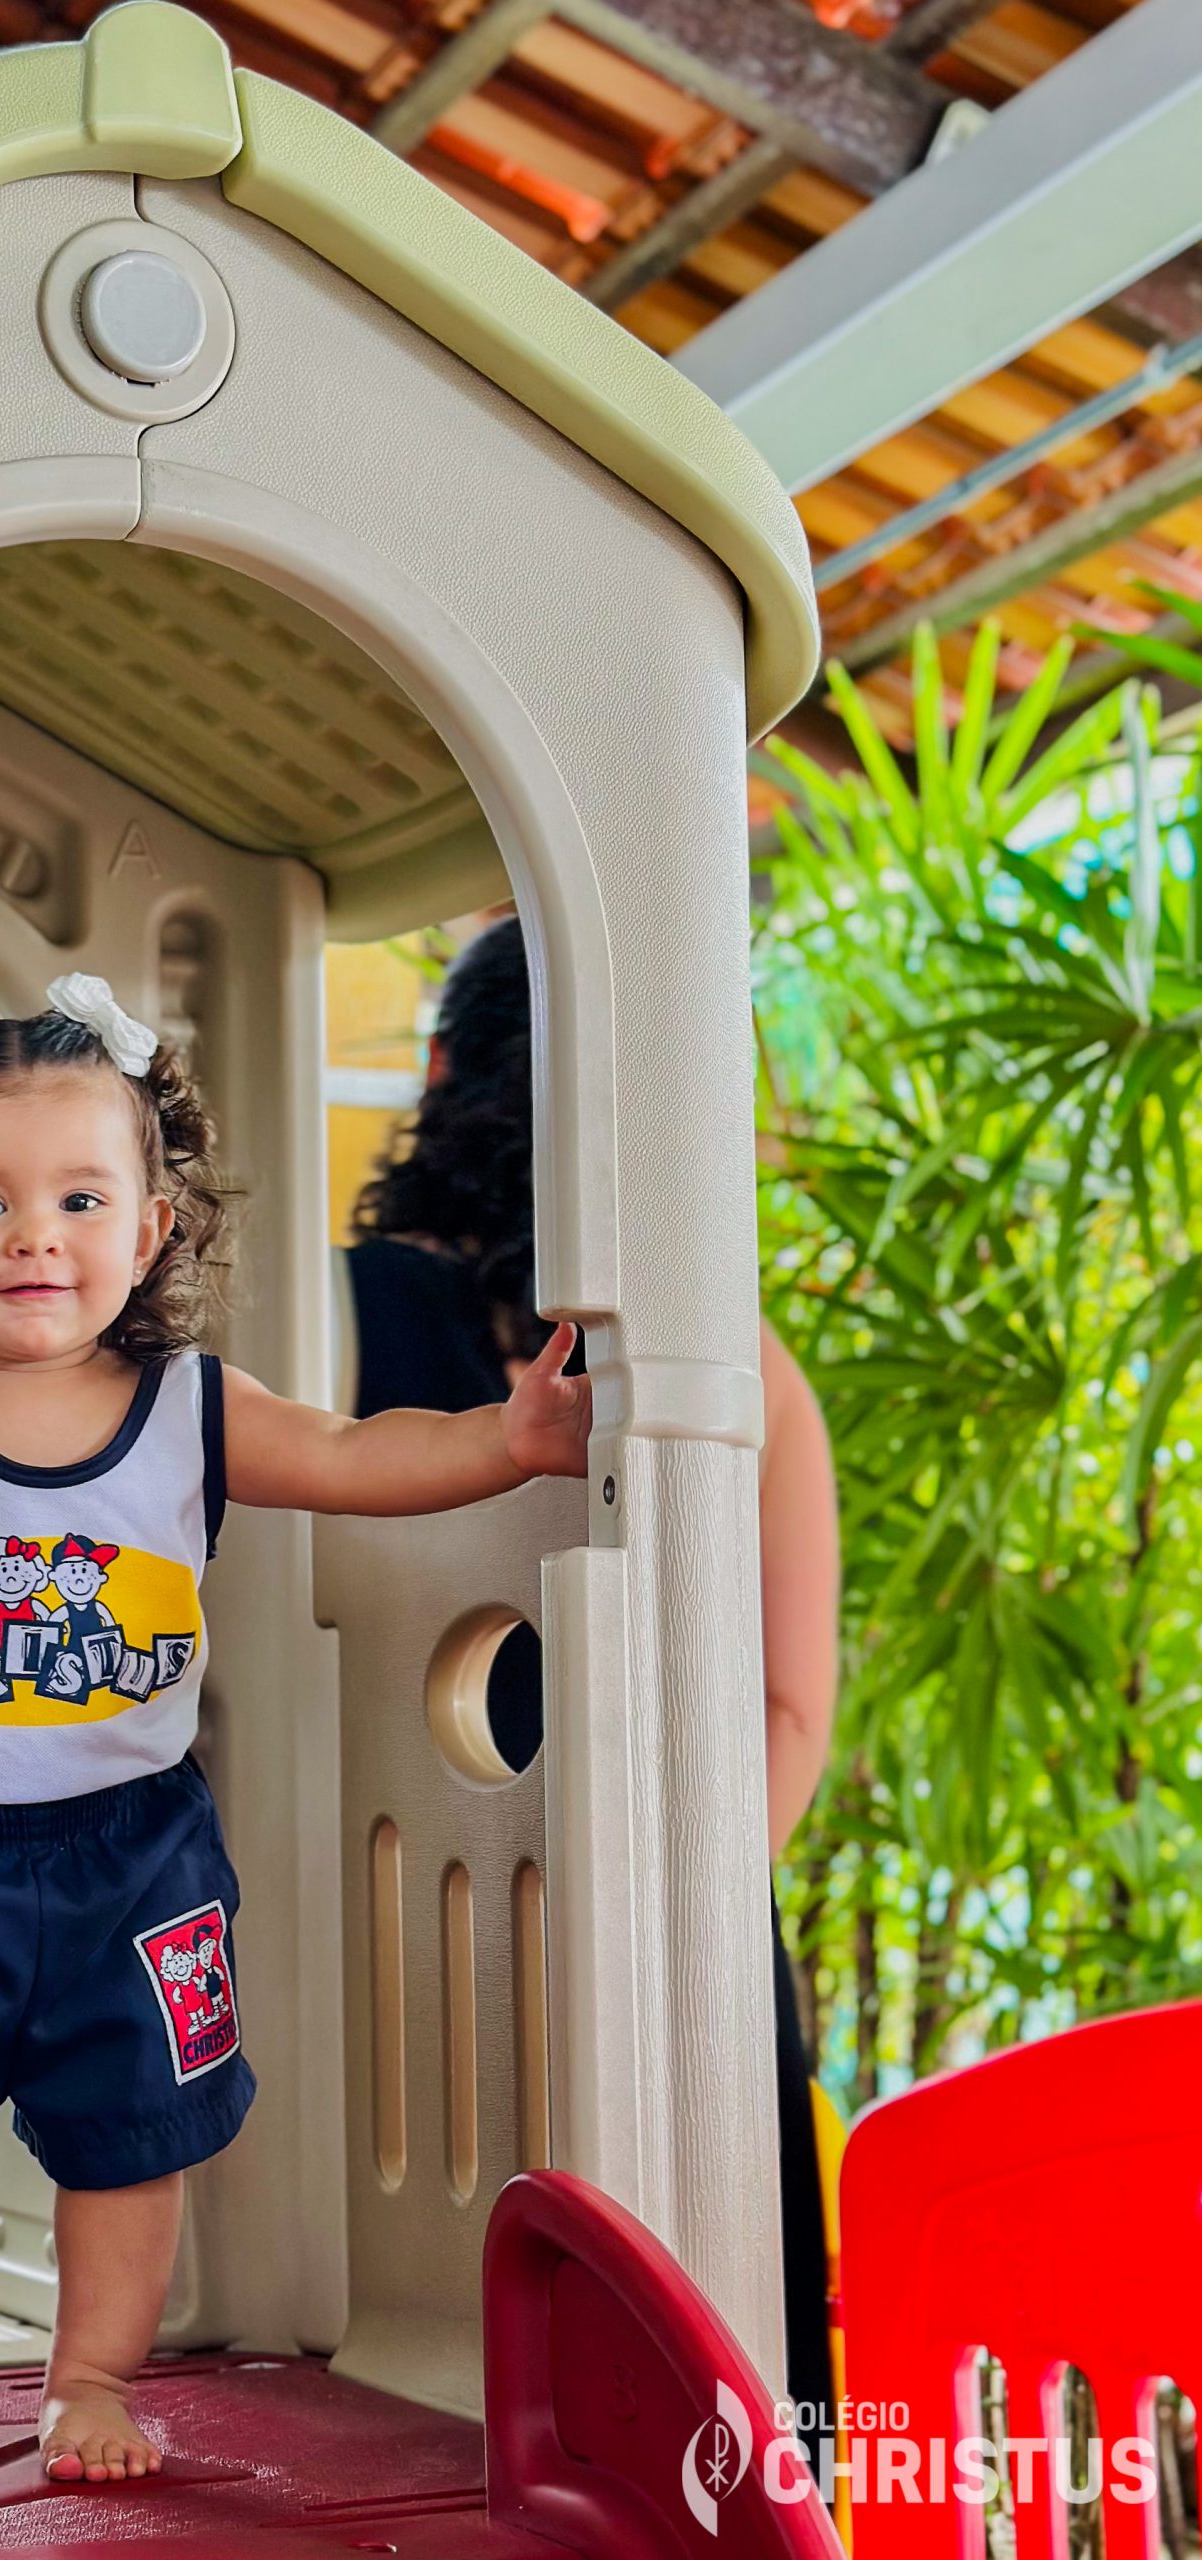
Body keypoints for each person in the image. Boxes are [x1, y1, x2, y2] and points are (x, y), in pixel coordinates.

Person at [0, 971, 592, 2486]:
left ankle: (90, 2381)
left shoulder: (190, 1405)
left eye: (80, 1198)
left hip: (131, 1856)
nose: (36, 1237)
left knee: (134, 2134)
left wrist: (506, 1441)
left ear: (146, 1231)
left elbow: (353, 1455)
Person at [341, 918, 839, 2435]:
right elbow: (790, 1710)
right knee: (715, 2418)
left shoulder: (333, 1316)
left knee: (416, 2425)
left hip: (399, 1948)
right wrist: (662, 1938)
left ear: (445, 1073)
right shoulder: (732, 1362)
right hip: (685, 1960)